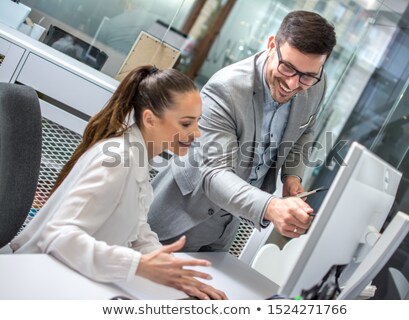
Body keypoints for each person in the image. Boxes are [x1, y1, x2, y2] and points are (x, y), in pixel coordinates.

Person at [10, 66, 226, 300]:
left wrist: (175, 272)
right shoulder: (118, 160)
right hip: (35, 284)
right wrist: (137, 266)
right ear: (150, 119)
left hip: (68, 278)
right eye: (186, 124)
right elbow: (59, 237)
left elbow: (137, 229)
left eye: (197, 122)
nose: (197, 133)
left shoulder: (139, 157)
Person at [147, 10, 337, 252]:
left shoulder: (317, 84)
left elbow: (305, 129)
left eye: (307, 76)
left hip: (228, 227)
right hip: (180, 218)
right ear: (271, 45)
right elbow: (214, 175)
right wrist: (271, 207)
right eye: (287, 68)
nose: (293, 84)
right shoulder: (226, 89)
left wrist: (292, 176)